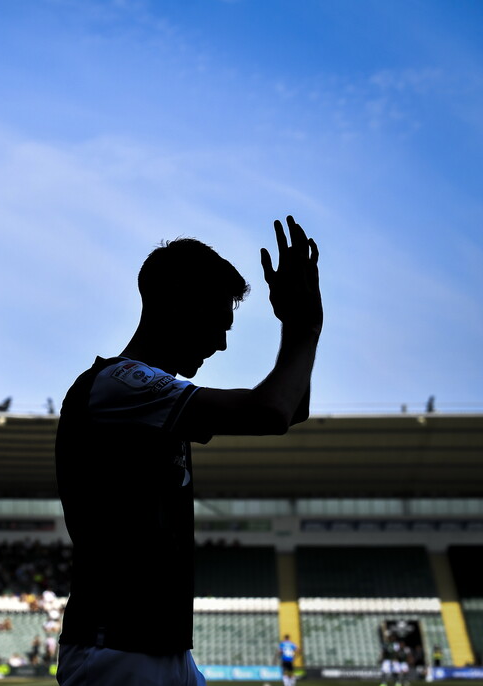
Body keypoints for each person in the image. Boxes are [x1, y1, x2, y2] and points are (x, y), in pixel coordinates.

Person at [55, 216, 322, 686]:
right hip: (115, 651)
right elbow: (272, 412)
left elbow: (289, 409)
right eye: (217, 323)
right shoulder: (118, 386)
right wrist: (303, 326)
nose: (221, 344)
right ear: (177, 302)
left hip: (162, 650)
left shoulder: (151, 398)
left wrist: (301, 326)